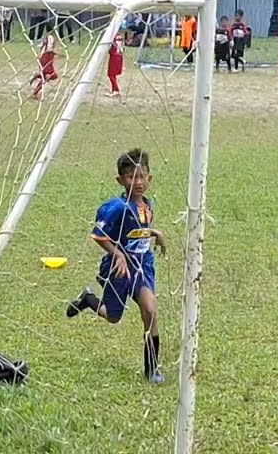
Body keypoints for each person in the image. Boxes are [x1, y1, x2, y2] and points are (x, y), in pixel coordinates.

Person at [65, 148, 167, 384]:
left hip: (142, 268)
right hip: (119, 270)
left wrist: (154, 233)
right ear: (121, 180)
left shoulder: (147, 205)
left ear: (149, 178)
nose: (138, 182)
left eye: (142, 176)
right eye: (132, 177)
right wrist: (117, 254)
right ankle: (88, 300)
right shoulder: (117, 208)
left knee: (150, 310)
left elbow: (137, 229)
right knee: (112, 316)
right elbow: (99, 235)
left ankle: (151, 369)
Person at [30, 32, 60, 101]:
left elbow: (43, 46)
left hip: (45, 57)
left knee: (47, 75)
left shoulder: (46, 36)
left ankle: (37, 76)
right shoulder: (50, 37)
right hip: (47, 57)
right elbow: (49, 48)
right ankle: (35, 92)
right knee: (51, 75)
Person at [106, 29, 124, 97]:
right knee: (113, 75)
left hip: (114, 57)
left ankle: (116, 90)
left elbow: (110, 49)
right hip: (119, 57)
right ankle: (114, 90)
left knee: (110, 74)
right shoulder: (120, 38)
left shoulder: (113, 39)